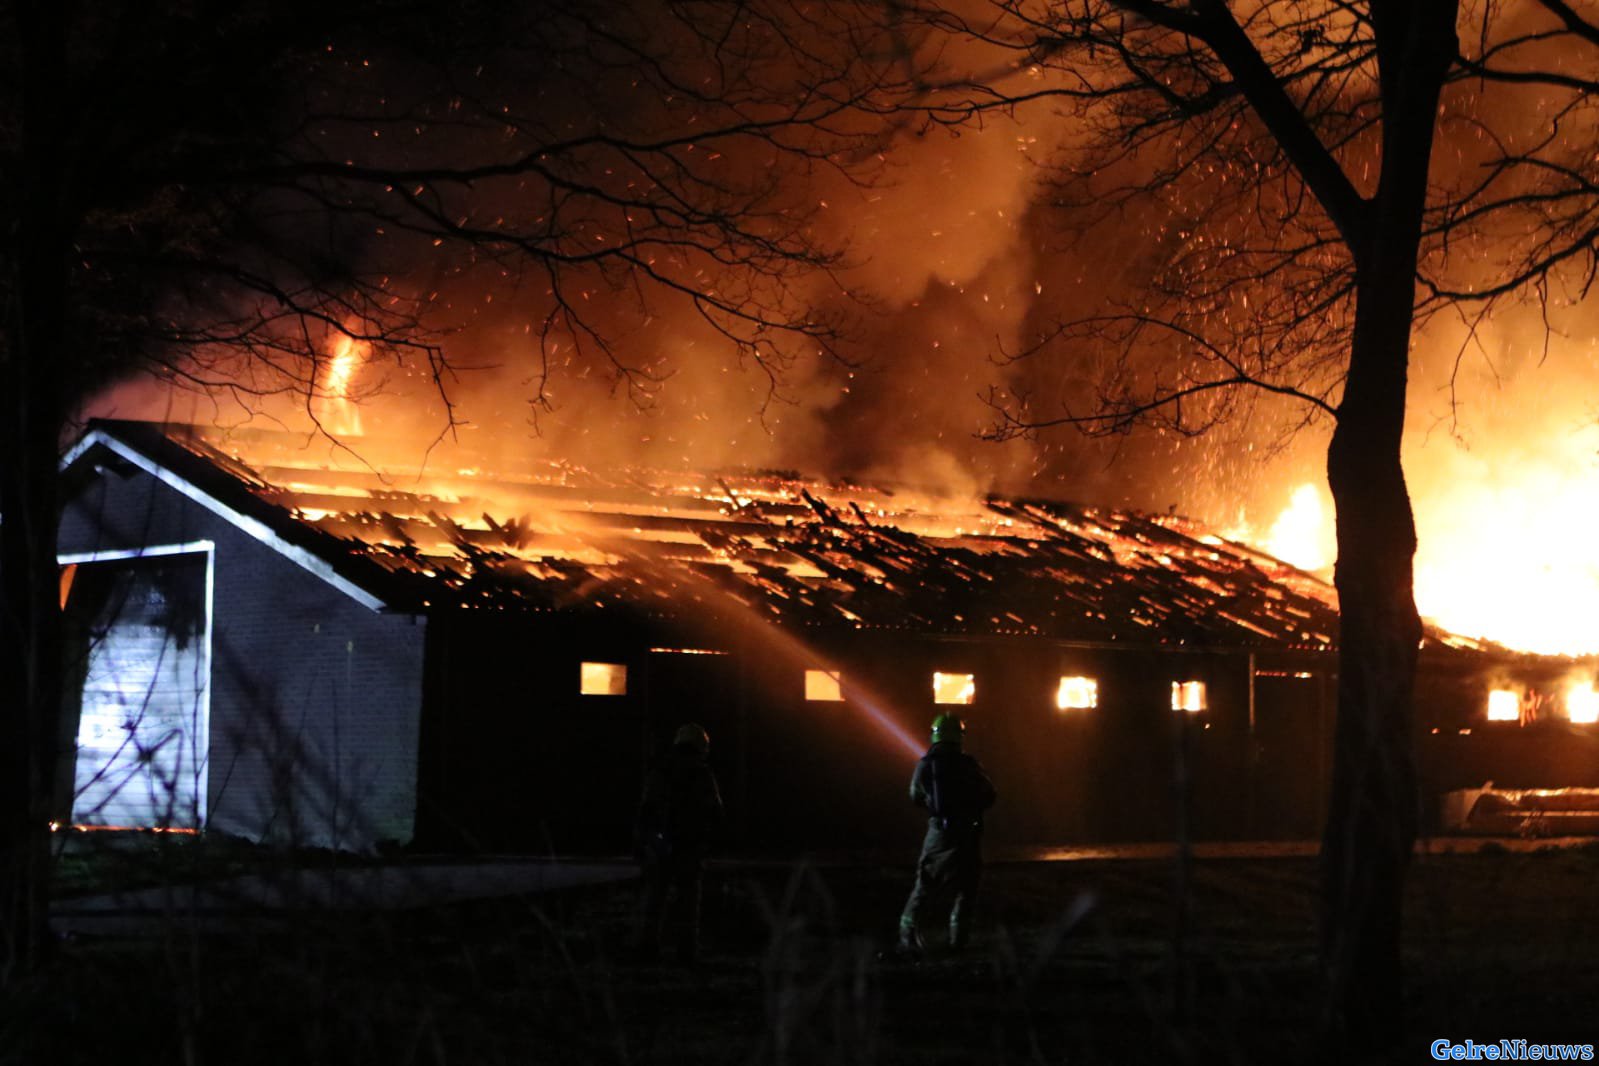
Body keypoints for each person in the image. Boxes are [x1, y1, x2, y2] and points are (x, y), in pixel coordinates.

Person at [897, 712, 996, 956]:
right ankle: (958, 941)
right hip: (968, 833)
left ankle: (907, 937)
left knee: (925, 883)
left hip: (939, 832)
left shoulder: (925, 764)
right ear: (959, 736)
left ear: (934, 734)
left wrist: (934, 806)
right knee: (967, 887)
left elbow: (914, 795)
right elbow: (989, 794)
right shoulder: (970, 764)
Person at [633, 721, 724, 963]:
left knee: (655, 899)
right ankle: (686, 950)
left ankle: (647, 947)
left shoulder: (660, 770)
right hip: (689, 846)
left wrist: (644, 841)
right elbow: (715, 810)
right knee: (688, 901)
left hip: (661, 844)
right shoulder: (702, 773)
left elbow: (647, 808)